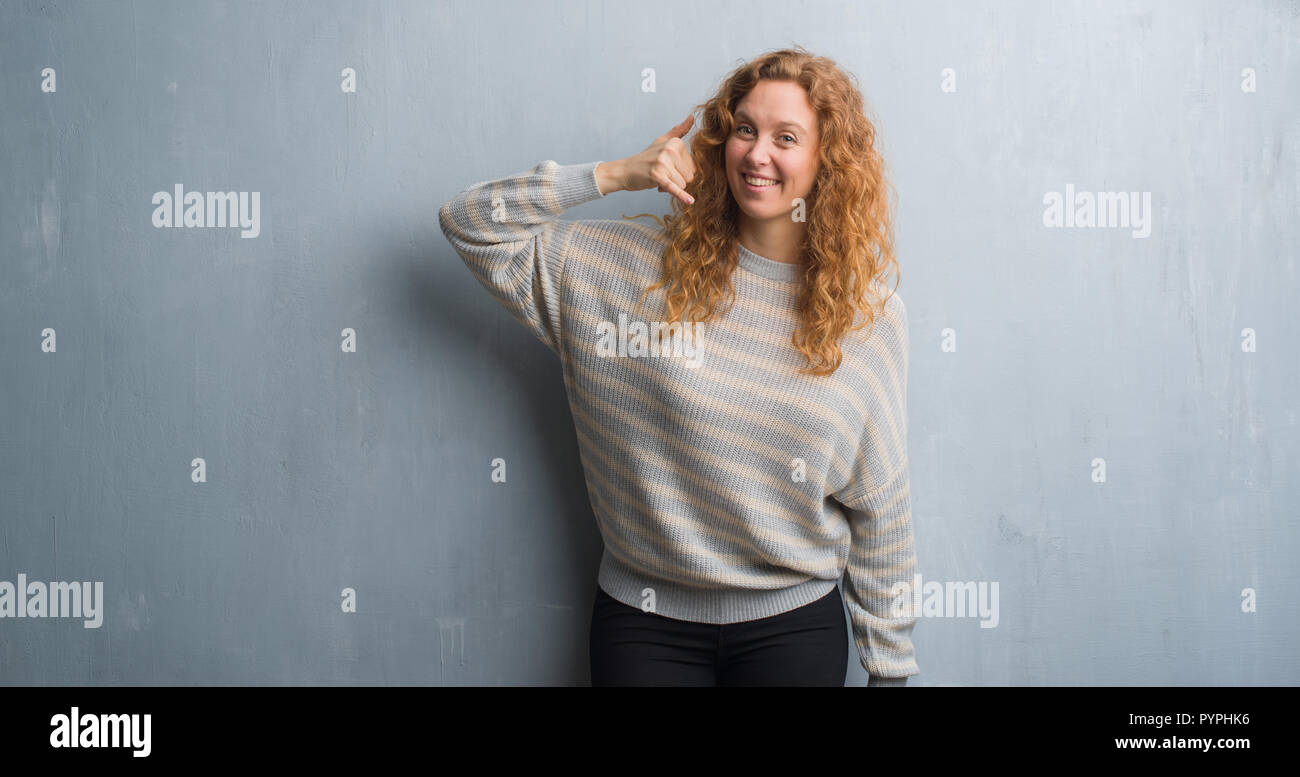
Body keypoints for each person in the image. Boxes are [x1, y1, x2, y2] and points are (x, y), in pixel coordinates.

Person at [439, 46, 916, 687]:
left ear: (826, 159)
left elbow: (881, 506)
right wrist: (611, 176)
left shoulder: (868, 317)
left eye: (787, 137)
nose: (757, 154)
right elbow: (469, 223)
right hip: (644, 626)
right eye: (745, 129)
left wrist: (891, 668)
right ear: (720, 141)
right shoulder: (624, 272)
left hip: (794, 628)